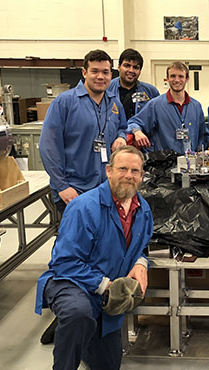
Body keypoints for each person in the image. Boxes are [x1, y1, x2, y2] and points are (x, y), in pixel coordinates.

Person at [34, 145, 154, 370]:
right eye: (122, 169)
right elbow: (64, 263)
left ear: (142, 176)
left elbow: (142, 245)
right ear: (108, 171)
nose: (128, 176)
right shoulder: (84, 207)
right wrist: (105, 284)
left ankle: (84, 332)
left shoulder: (143, 209)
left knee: (108, 364)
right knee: (78, 314)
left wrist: (140, 262)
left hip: (105, 296)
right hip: (72, 284)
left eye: (135, 171)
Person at [40, 49, 127, 216]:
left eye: (105, 72)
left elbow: (122, 126)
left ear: (111, 75)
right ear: (84, 72)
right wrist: (62, 186)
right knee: (78, 241)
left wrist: (121, 137)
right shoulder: (65, 102)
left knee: (104, 240)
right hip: (74, 191)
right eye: (95, 71)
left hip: (105, 189)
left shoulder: (114, 103)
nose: (100, 76)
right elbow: (48, 147)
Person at [127, 61, 207, 154]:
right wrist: (137, 132)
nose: (177, 80)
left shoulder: (196, 106)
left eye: (181, 76)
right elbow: (133, 122)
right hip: (164, 164)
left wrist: (200, 152)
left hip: (190, 164)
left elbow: (203, 135)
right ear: (167, 79)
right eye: (173, 76)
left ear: (187, 79)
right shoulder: (155, 105)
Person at [108, 48, 160, 120]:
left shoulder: (151, 92)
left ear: (140, 71)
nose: (131, 70)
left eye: (135, 67)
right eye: (127, 65)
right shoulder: (107, 89)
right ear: (119, 67)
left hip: (140, 131)